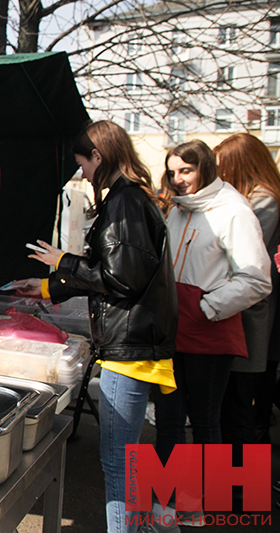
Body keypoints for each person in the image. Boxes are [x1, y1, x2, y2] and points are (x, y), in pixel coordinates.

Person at [14, 121, 177, 533]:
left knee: (117, 462)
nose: (82, 172)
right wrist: (52, 283)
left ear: (99, 157)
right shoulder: (131, 200)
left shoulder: (125, 202)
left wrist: (62, 263)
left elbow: (122, 277)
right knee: (127, 460)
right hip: (135, 345)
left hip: (130, 350)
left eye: (82, 163)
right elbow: (115, 271)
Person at [152, 139, 271, 524]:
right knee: (170, 418)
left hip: (209, 330)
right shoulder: (178, 210)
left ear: (205, 167)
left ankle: (201, 507)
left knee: (205, 420)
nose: (178, 179)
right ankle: (164, 504)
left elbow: (257, 278)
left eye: (185, 170)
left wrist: (210, 306)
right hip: (174, 329)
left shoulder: (234, 211)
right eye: (172, 172)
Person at [213, 133, 280, 452]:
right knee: (234, 408)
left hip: (250, 321)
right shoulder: (251, 199)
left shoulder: (263, 201)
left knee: (242, 409)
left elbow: (240, 258)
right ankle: (235, 489)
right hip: (241, 318)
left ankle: (243, 494)